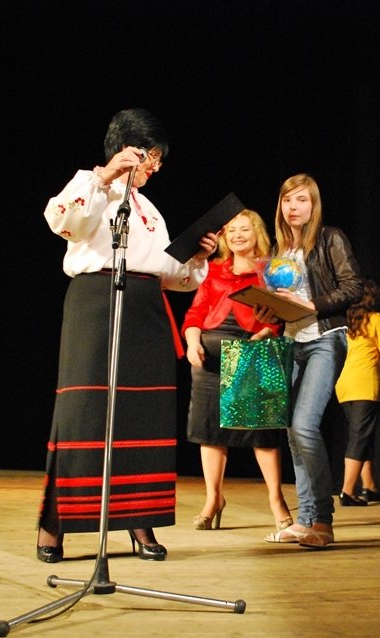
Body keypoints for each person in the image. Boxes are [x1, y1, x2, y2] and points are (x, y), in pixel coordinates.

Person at [35, 108, 218, 563]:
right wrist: (104, 177)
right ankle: (55, 524)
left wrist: (196, 257)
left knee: (142, 413)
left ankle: (140, 518)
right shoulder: (91, 184)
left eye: (158, 159)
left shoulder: (149, 210)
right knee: (84, 411)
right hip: (96, 302)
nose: (155, 166)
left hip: (144, 308)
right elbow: (62, 220)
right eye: (151, 156)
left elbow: (170, 273)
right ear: (127, 150)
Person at [258, 173, 363, 549]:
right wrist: (267, 309)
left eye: (301, 200)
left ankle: (323, 520)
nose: (293, 207)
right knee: (292, 430)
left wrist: (311, 304)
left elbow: (353, 286)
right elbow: (281, 301)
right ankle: (304, 520)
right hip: (292, 341)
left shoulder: (330, 238)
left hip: (325, 339)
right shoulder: (280, 250)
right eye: (287, 200)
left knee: (304, 426)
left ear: (313, 205)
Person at [181, 209, 293, 532]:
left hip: (252, 353)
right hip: (210, 359)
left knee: (262, 433)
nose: (237, 235)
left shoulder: (271, 272)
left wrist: (264, 334)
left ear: (257, 233)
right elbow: (195, 314)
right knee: (209, 432)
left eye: (244, 229)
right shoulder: (214, 271)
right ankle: (213, 499)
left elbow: (282, 316)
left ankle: (277, 501)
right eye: (231, 231)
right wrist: (192, 342)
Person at [334, 279, 380, 506]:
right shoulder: (376, 319)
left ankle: (369, 486)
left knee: (363, 435)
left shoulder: (349, 322)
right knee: (360, 438)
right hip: (365, 384)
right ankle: (348, 491)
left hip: (344, 385)